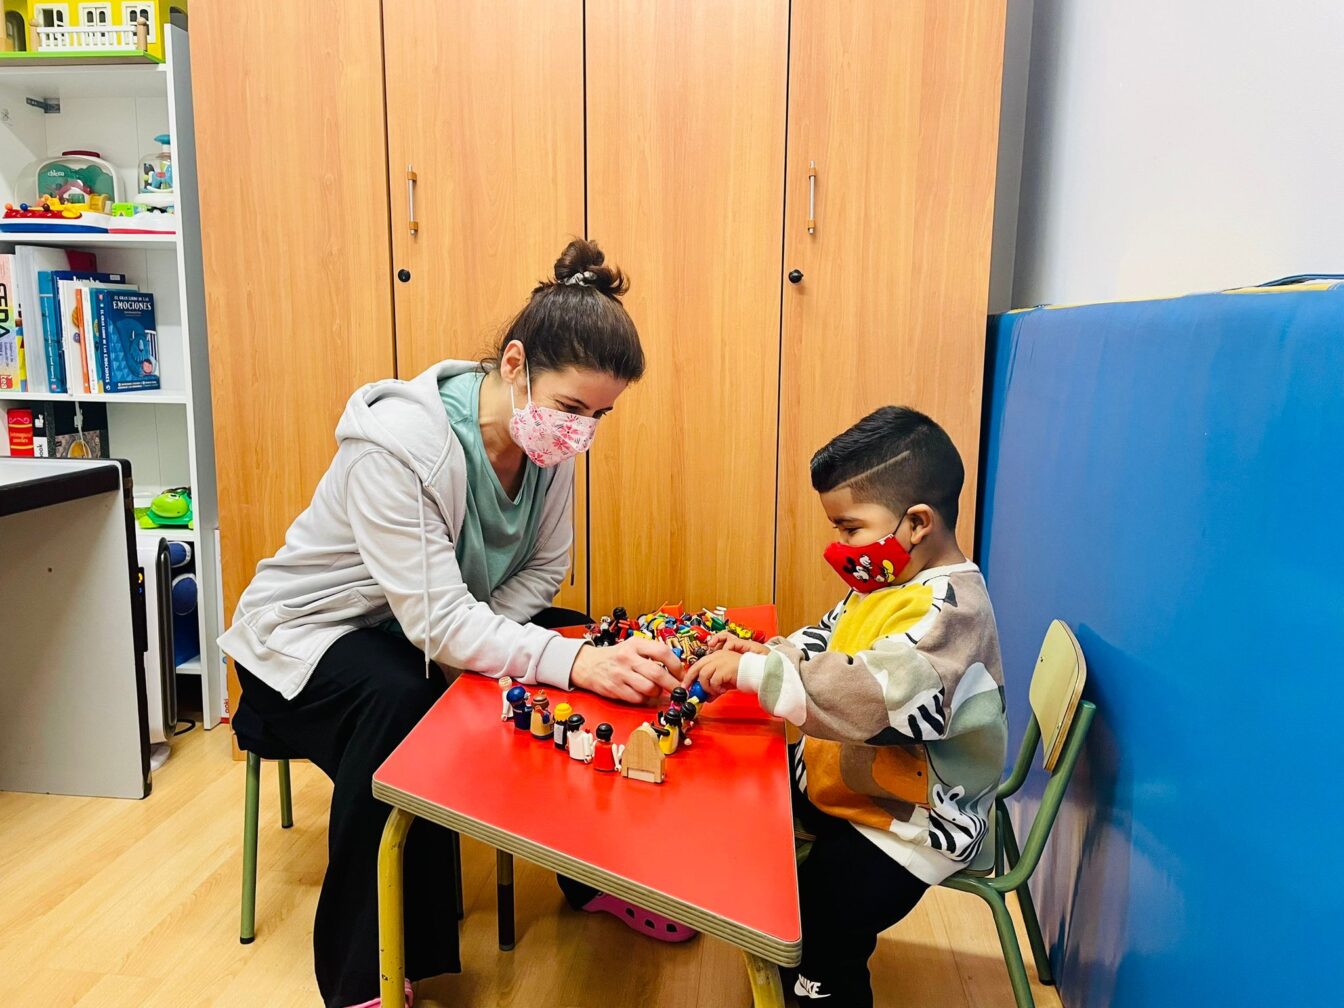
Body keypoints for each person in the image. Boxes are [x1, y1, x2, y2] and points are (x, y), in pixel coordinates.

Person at [221, 239, 685, 1008]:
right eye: (574, 409)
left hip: (413, 634)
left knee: (573, 636)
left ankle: (595, 877)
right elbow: (436, 621)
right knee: (403, 702)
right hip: (301, 645)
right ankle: (362, 976)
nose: (582, 433)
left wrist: (505, 649)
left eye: (601, 416)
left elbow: (543, 573)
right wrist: (482, 651)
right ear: (514, 365)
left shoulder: (549, 448)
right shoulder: (400, 446)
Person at [690, 406, 1008, 1007]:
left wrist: (759, 672)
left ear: (917, 522)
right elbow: (829, 640)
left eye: (850, 527)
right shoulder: (888, 582)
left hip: (912, 826)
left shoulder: (953, 613)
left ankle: (820, 982)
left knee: (825, 923)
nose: (840, 546)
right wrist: (763, 651)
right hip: (850, 786)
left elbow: (875, 695)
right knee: (739, 801)